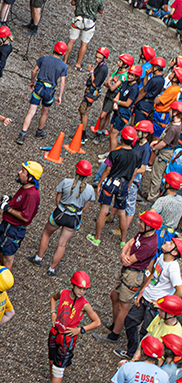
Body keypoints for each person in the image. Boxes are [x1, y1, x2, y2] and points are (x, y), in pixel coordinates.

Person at [33, 271, 101, 383]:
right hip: (55, 333)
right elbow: (53, 298)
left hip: (67, 340)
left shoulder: (85, 304)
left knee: (58, 368)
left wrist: (81, 329)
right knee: (52, 361)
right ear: (72, 285)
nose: (82, 291)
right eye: (80, 288)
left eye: (84, 289)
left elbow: (97, 322)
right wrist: (53, 313)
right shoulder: (63, 292)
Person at [31, 161, 96, 275]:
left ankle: (38, 258)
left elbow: (58, 199)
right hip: (74, 218)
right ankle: (52, 269)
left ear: (76, 170)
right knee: (62, 244)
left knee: (46, 233)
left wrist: (61, 207)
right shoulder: (90, 190)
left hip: (60, 213)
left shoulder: (66, 182)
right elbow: (85, 207)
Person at [107, 210, 163, 340]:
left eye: (142, 222)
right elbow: (129, 243)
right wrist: (123, 254)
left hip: (133, 276)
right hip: (126, 272)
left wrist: (125, 255)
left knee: (124, 305)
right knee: (114, 296)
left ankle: (114, 334)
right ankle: (115, 324)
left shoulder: (149, 245)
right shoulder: (144, 234)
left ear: (149, 227)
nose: (138, 222)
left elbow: (130, 260)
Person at [86, 125, 143, 248]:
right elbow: (134, 172)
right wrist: (128, 185)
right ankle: (123, 241)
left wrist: (100, 183)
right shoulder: (137, 155)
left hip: (111, 182)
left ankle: (97, 238)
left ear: (121, 138)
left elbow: (107, 170)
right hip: (123, 185)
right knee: (122, 212)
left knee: (104, 209)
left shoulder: (115, 153)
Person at [0, 161, 42, 270]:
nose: (19, 172)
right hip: (7, 224)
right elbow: (20, 203)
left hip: (14, 230)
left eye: (23, 171)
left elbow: (25, 216)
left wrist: (7, 209)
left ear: (29, 178)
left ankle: (2, 284)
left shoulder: (32, 195)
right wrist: (10, 199)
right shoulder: (25, 188)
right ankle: (2, 271)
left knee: (8, 258)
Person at [17, 42, 68, 142]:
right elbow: (62, 83)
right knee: (44, 112)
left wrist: (33, 82)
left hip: (39, 86)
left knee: (31, 111)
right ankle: (39, 131)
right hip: (49, 91)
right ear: (63, 53)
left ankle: (22, 134)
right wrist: (60, 96)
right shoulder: (63, 66)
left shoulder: (44, 58)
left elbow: (34, 71)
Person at [66, 0, 105, 70]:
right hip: (89, 22)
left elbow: (72, 2)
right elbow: (101, 11)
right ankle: (78, 64)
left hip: (78, 19)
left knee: (71, 41)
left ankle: (64, 60)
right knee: (84, 44)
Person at [77, 45, 110, 143]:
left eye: (99, 58)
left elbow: (95, 83)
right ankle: (81, 131)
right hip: (90, 92)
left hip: (91, 93)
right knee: (82, 111)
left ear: (104, 58)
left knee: (84, 113)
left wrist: (91, 72)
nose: (96, 59)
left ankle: (83, 135)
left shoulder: (103, 68)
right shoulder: (101, 65)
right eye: (96, 57)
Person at [149, 101, 182, 200]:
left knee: (156, 175)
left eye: (171, 110)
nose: (169, 112)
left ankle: (152, 196)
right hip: (166, 149)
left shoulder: (174, 128)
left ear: (175, 113)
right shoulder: (176, 124)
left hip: (164, 152)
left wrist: (154, 148)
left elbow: (164, 143)